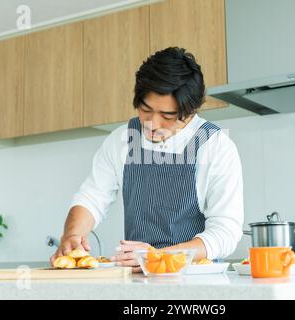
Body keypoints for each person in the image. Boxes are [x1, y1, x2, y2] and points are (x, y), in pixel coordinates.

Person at [50, 47, 244, 272]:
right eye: (145, 110)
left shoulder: (215, 146)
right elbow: (92, 197)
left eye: (168, 116)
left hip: (195, 278)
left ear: (190, 112)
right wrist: (72, 235)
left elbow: (225, 231)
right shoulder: (122, 140)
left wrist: (158, 257)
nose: (153, 124)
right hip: (137, 279)